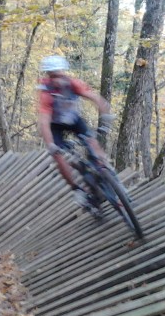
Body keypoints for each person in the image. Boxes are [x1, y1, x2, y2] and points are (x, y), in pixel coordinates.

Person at [37, 54, 114, 208]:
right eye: (53, 76)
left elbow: (96, 99)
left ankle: (104, 167)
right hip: (55, 126)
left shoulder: (73, 84)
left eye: (59, 75)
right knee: (59, 156)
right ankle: (77, 189)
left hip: (74, 120)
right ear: (48, 76)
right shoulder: (46, 94)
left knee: (91, 141)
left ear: (64, 72)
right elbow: (44, 121)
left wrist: (106, 117)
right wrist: (51, 144)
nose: (57, 79)